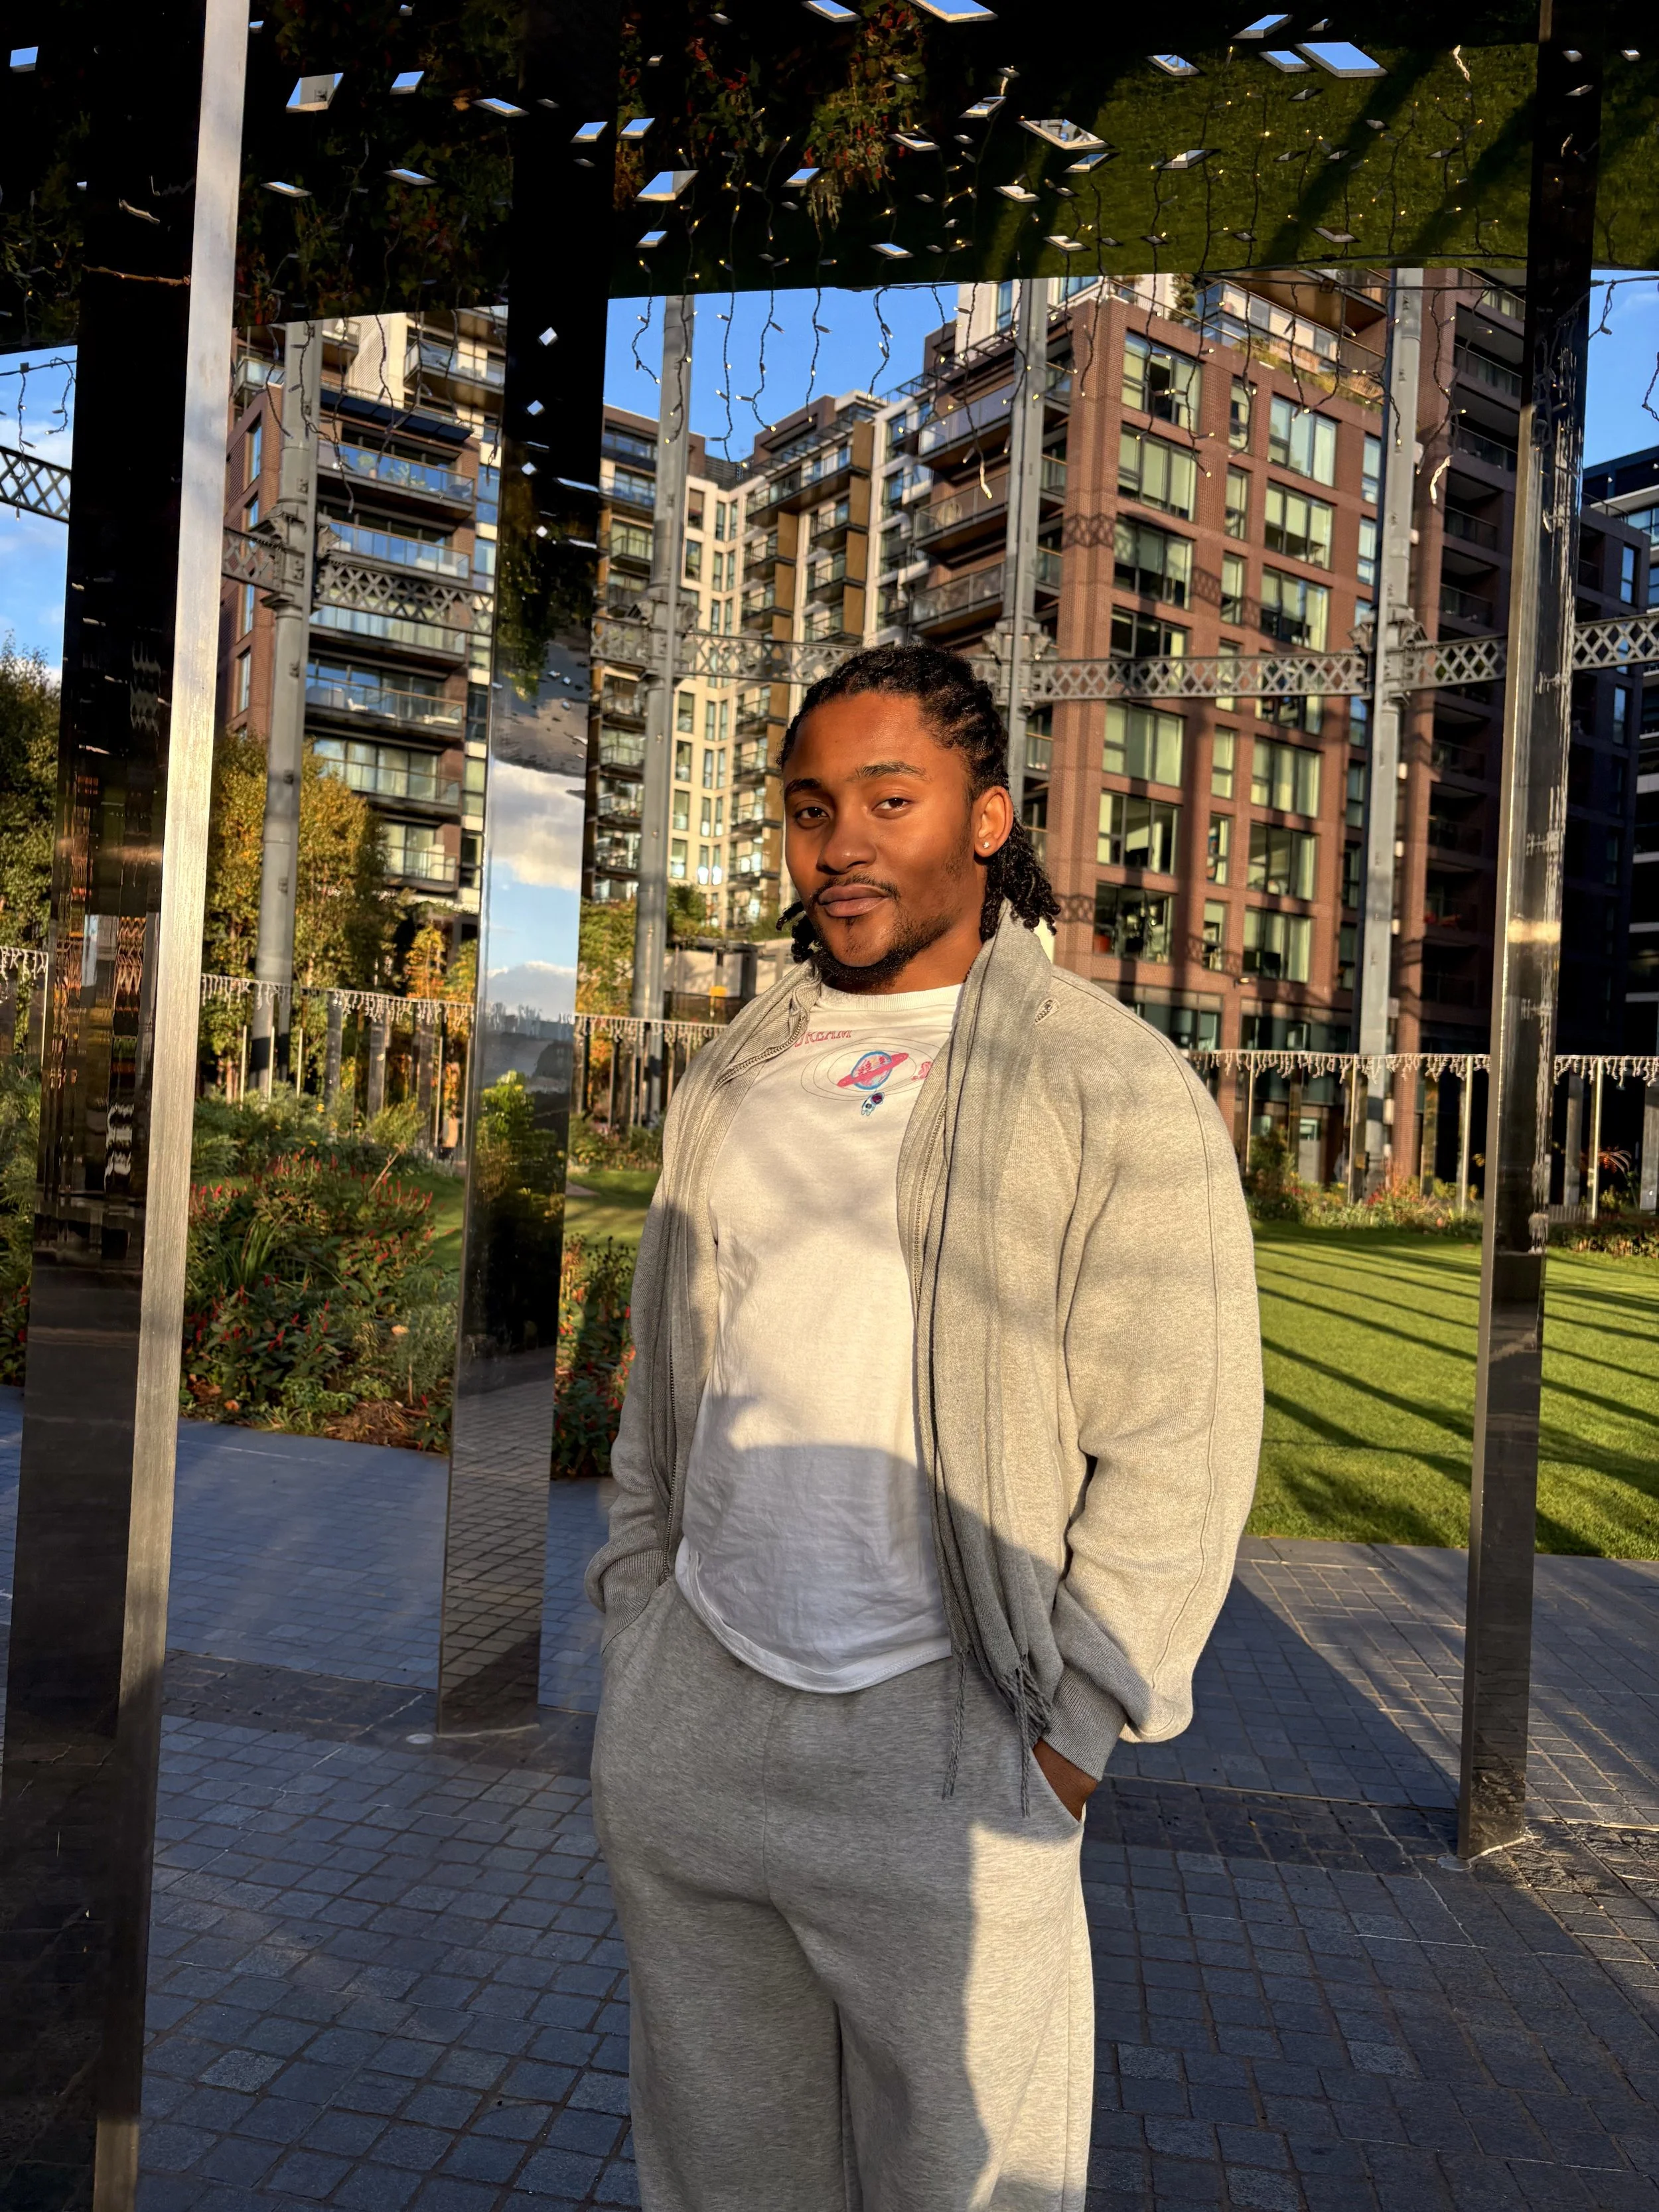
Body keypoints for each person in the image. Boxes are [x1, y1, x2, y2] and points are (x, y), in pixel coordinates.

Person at [586, 643, 1262, 2211]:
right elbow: (666, 1385)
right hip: (698, 1725)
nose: (841, 843)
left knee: (974, 2190)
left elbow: (1178, 1433)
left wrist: (1069, 1735)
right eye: (809, 806)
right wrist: (638, 1641)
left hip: (952, 1743)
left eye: (890, 800)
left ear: (986, 818)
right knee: (720, 2179)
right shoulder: (733, 1072)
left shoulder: (1108, 1082)